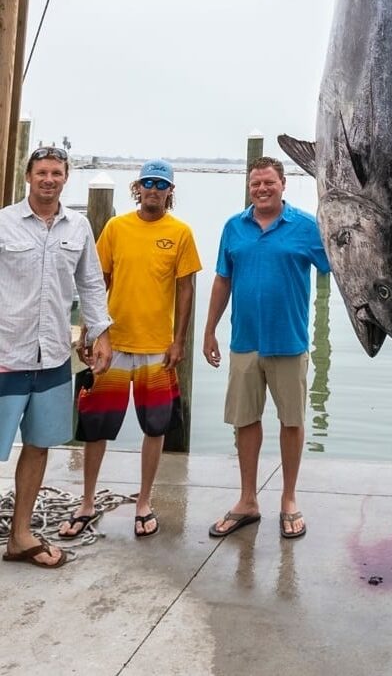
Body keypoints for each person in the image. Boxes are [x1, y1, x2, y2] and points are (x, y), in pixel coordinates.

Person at [58, 159, 202, 539]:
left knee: (155, 428)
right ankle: (87, 502)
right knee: (95, 427)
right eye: (148, 183)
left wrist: (180, 340)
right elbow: (96, 281)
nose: (154, 189)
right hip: (113, 346)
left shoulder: (182, 233)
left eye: (161, 184)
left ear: (171, 191)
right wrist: (89, 332)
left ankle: (144, 502)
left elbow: (186, 288)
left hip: (157, 349)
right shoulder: (116, 228)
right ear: (137, 188)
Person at [203, 156, 330, 540]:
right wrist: (209, 330)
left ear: (283, 185)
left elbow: (336, 267)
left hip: (289, 342)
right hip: (245, 341)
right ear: (249, 186)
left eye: (268, 183)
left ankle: (289, 499)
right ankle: (247, 500)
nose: (261, 189)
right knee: (245, 421)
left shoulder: (307, 227)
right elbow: (222, 281)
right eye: (256, 183)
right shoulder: (233, 227)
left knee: (291, 422)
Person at [0, 146, 111, 568]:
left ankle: (20, 535)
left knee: (40, 444)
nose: (49, 179)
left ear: (66, 178)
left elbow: (91, 284)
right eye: (42, 172)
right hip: (5, 353)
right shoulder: (4, 223)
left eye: (57, 173)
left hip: (52, 358)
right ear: (27, 176)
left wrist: (99, 331)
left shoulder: (79, 227)